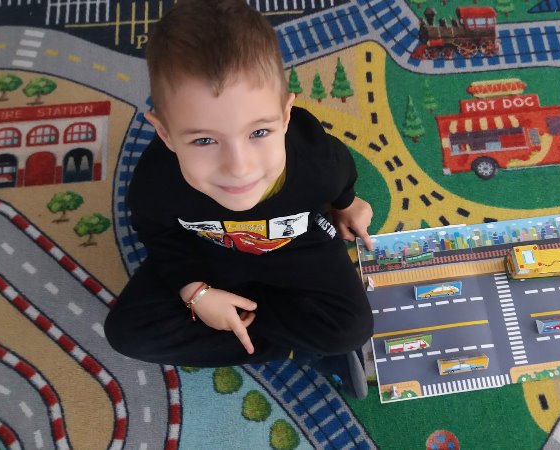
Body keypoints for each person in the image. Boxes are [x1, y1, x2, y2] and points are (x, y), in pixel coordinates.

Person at [104, 0, 374, 399]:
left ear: (285, 115)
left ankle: (291, 338)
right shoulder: (155, 181)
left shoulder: (314, 158)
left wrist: (346, 204)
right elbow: (158, 234)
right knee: (127, 333)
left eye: (259, 133)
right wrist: (195, 292)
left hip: (297, 248)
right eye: (204, 140)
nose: (239, 168)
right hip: (208, 258)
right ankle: (297, 346)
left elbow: (341, 172)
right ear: (165, 133)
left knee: (352, 328)